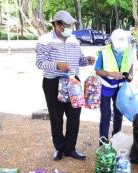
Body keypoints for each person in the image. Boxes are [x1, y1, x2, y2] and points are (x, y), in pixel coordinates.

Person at [36, 10, 95, 161]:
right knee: (56, 117)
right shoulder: (45, 40)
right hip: (53, 82)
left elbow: (80, 60)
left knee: (74, 115)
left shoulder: (74, 40)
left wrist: (87, 60)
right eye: (67, 25)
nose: (70, 27)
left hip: (73, 81)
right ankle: (59, 148)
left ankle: (70, 148)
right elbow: (40, 63)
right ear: (57, 24)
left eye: (71, 25)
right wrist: (57, 65)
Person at [95, 29, 133, 143]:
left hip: (121, 87)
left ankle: (116, 139)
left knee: (119, 113)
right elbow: (97, 70)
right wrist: (110, 74)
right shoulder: (104, 51)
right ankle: (103, 143)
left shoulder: (128, 49)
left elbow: (130, 64)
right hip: (106, 86)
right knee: (106, 115)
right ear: (112, 41)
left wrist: (131, 75)